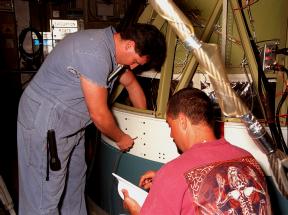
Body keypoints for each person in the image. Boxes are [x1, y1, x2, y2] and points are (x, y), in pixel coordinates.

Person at [17, 23, 166, 215]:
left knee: (73, 186)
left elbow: (132, 85)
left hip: (72, 125)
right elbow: (99, 115)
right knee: (43, 196)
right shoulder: (95, 53)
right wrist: (121, 138)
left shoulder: (114, 50)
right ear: (129, 45)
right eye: (136, 61)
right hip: (47, 124)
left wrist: (143, 126)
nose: (133, 67)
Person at [122, 87, 271, 215]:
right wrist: (168, 185)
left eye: (170, 126)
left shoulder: (171, 174)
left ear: (182, 121)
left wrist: (137, 212)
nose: (171, 135)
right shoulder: (249, 160)